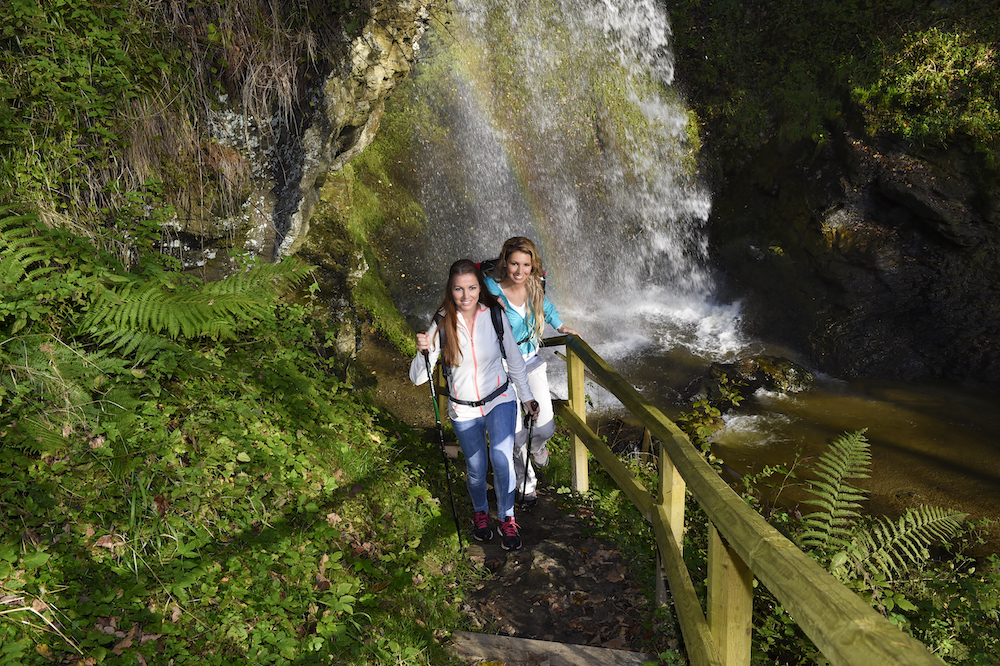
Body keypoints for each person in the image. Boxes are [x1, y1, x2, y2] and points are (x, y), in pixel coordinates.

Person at [409, 259, 538, 550]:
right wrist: (422, 353)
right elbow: (418, 378)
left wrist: (527, 396)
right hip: (464, 407)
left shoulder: (494, 315)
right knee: (477, 468)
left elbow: (514, 360)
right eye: (459, 289)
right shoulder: (441, 322)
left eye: (471, 287)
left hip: (500, 399)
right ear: (450, 290)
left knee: (502, 460)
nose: (466, 295)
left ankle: (507, 516)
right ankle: (481, 513)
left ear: (481, 287)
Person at [484, 237, 577, 507]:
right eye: (514, 263)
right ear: (505, 262)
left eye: (526, 264)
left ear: (532, 266)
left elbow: (546, 309)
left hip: (532, 362)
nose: (519, 270)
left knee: (545, 425)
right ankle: (527, 486)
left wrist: (560, 327)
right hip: (502, 368)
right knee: (515, 434)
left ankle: (537, 449)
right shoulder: (492, 289)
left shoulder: (535, 287)